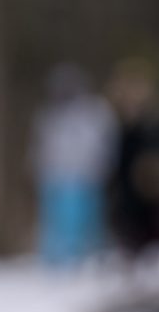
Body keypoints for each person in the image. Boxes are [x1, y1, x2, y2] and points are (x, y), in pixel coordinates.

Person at [31, 63, 117, 267]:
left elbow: (104, 144)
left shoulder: (93, 112)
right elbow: (40, 146)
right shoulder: (48, 114)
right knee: (55, 223)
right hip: (53, 177)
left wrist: (101, 168)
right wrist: (37, 169)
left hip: (84, 177)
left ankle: (84, 258)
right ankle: (56, 262)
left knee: (84, 221)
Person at [105, 58, 159, 253]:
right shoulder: (116, 117)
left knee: (153, 216)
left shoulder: (154, 116)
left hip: (149, 177)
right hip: (125, 179)